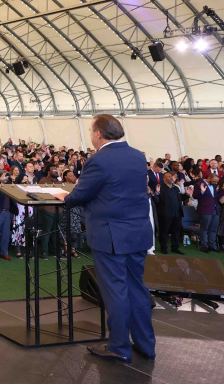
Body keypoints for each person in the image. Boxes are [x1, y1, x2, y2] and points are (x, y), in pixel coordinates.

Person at [60, 115, 156, 365]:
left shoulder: (98, 160)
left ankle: (119, 346)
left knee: (116, 291)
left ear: (99, 134)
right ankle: (146, 345)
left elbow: (78, 196)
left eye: (91, 131)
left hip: (111, 236)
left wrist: (64, 196)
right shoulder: (137, 156)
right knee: (137, 288)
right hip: (138, 233)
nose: (91, 135)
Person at [154, 171, 184, 254]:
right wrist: (157, 193)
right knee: (164, 231)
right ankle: (163, 248)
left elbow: (180, 199)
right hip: (165, 214)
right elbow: (157, 200)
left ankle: (175, 247)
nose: (171, 178)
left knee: (176, 231)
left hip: (177, 213)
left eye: (171, 176)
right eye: (168, 176)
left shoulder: (176, 188)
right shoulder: (161, 188)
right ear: (163, 178)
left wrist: (187, 195)